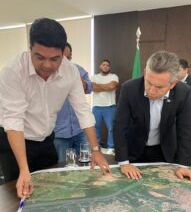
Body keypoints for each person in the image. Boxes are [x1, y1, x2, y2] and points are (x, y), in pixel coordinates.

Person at [0, 18, 110, 198]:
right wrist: (23, 169)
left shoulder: (70, 72)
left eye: (55, 59)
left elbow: (82, 111)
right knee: (20, 198)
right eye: (39, 57)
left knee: (51, 194)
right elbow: (13, 120)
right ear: (30, 48)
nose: (47, 65)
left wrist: (95, 150)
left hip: (46, 140)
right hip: (15, 141)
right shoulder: (13, 72)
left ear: (63, 52)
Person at [113, 50, 191, 181]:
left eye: (159, 87)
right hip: (133, 151)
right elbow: (119, 126)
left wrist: (183, 165)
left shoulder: (184, 92)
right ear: (145, 72)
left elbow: (185, 129)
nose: (151, 91)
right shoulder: (129, 88)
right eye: (148, 82)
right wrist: (124, 163)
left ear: (173, 84)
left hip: (164, 151)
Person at [54, 42, 92, 162]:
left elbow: (89, 87)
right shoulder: (49, 74)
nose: (66, 62)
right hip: (59, 133)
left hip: (80, 129)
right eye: (63, 58)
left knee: (86, 164)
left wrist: (78, 80)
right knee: (62, 168)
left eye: (68, 58)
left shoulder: (77, 69)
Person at [92, 59, 119, 155]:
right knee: (95, 128)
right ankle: (97, 147)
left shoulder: (114, 76)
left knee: (111, 128)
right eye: (103, 65)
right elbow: (93, 88)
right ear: (100, 66)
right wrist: (106, 87)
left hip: (110, 107)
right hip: (96, 107)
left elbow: (112, 86)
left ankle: (111, 147)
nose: (105, 66)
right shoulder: (94, 77)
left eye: (107, 65)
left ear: (109, 67)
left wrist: (98, 86)